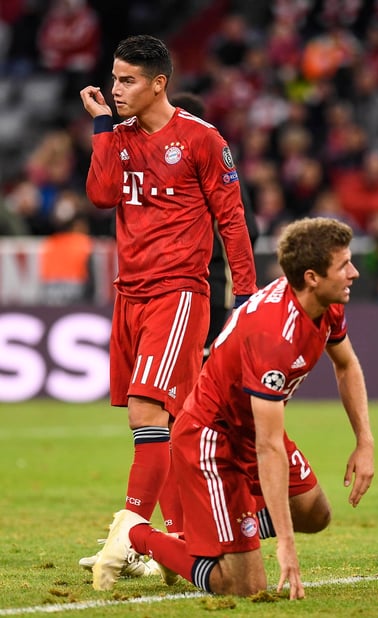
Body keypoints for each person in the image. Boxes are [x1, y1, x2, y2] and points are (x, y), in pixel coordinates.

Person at [90, 216, 375, 599]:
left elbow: (346, 364)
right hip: (213, 439)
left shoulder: (325, 303)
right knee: (243, 585)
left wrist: (364, 441)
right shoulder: (273, 336)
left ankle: (217, 534)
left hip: (251, 426)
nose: (354, 273)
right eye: (344, 265)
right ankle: (139, 535)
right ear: (312, 277)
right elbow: (269, 447)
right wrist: (285, 544)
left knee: (315, 512)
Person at [78, 34, 257, 574]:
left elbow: (232, 218)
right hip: (127, 293)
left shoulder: (202, 139)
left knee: (147, 411)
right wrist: (102, 127)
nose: (117, 89)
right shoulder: (119, 135)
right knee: (175, 423)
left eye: (127, 80)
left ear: (159, 83)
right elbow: (102, 194)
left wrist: (245, 295)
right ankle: (178, 533)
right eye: (114, 78)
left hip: (177, 291)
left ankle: (130, 534)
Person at [169, 91, 259, 357]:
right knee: (206, 364)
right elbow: (248, 229)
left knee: (180, 363)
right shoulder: (216, 168)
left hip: (177, 283)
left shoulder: (165, 170)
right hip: (211, 283)